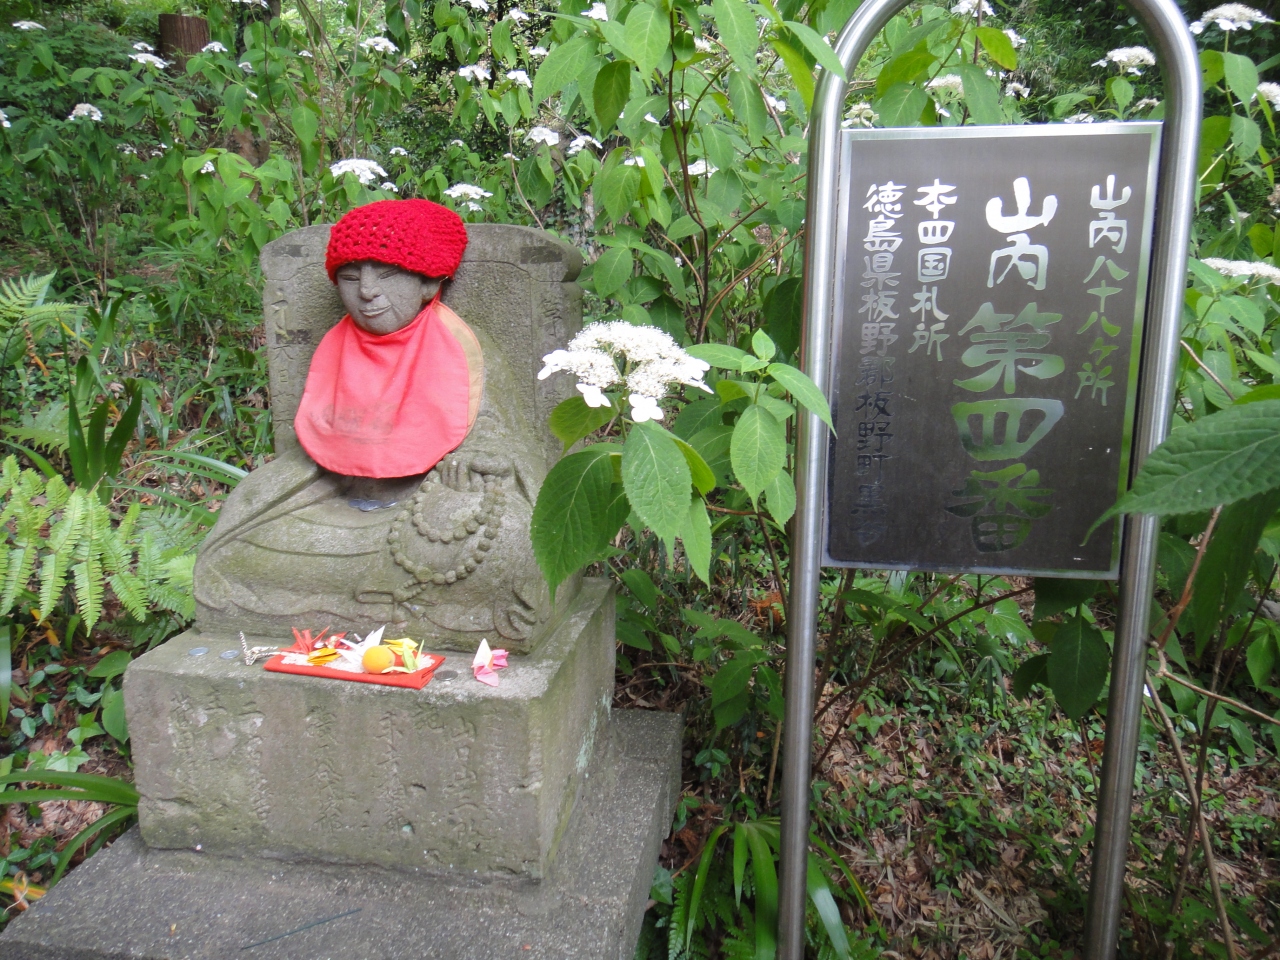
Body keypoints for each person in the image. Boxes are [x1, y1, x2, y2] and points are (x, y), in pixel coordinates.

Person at [195, 199, 553, 650]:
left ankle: (359, 597)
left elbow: (502, 436)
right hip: (336, 497)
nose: (366, 291)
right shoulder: (336, 346)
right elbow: (315, 445)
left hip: (428, 504)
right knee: (237, 539)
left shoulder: (462, 347)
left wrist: (481, 457)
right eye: (350, 278)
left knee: (510, 538)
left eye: (387, 276)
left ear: (428, 283)